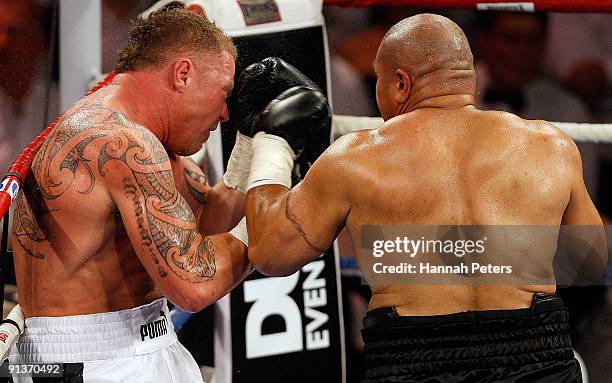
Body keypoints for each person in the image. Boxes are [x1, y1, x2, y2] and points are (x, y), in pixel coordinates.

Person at [239, 14, 607, 382]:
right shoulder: (550, 144)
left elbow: (271, 255)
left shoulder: (354, 158)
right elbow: (589, 263)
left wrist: (272, 144)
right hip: (538, 358)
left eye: (379, 81)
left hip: (414, 359)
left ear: (400, 83)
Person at [9, 8, 256, 382]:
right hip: (95, 361)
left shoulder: (151, 147)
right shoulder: (117, 142)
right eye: (223, 93)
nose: (225, 113)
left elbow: (201, 233)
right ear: (183, 74)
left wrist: (253, 144)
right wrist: (277, 227)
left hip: (134, 345)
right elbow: (195, 283)